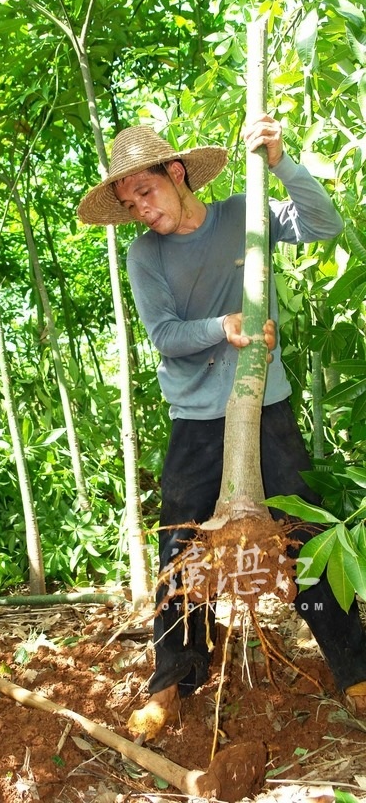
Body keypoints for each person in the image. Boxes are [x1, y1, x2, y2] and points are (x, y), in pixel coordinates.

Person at [77, 114, 366, 737]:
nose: (141, 211)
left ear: (175, 173)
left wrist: (282, 162)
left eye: (146, 193)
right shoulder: (144, 255)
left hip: (268, 404)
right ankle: (173, 680)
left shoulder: (246, 214)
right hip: (197, 420)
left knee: (306, 530)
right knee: (181, 547)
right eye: (128, 205)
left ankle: (353, 666)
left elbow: (324, 224)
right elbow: (165, 336)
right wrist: (223, 327)